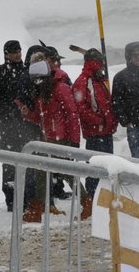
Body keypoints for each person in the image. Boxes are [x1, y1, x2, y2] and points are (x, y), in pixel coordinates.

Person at [15, 52, 82, 220]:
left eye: (39, 80)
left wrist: (74, 141)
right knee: (41, 171)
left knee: (67, 172)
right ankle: (39, 209)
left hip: (62, 139)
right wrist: (27, 114)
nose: (37, 84)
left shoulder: (61, 89)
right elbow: (41, 117)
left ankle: (87, 202)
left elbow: (72, 114)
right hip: (48, 139)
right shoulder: (42, 92)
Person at [73, 47, 119, 214]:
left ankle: (102, 200)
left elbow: (105, 103)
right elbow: (81, 108)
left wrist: (109, 121)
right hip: (96, 132)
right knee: (95, 168)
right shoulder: (86, 81)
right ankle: (92, 200)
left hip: (103, 131)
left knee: (105, 167)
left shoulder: (96, 80)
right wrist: (100, 120)